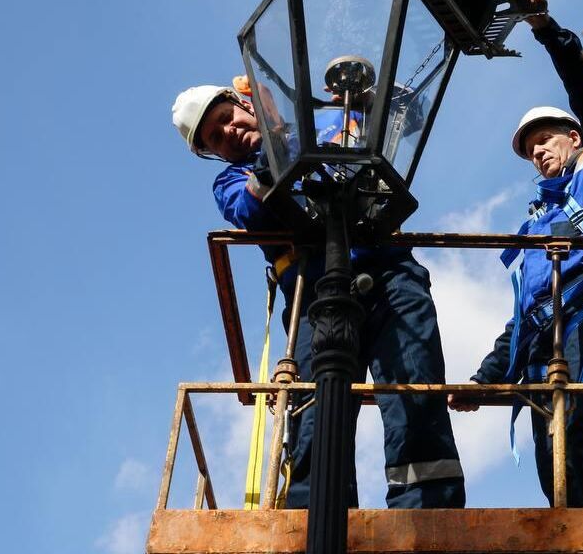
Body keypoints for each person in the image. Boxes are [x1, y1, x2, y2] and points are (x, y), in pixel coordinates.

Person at [171, 79, 465, 509]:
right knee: (314, 417)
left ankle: (429, 517)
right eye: (215, 138)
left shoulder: (329, 119)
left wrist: (369, 93)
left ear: (243, 101)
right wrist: (276, 140)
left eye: (224, 118)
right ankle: (319, 522)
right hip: (314, 300)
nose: (228, 132)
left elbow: (409, 114)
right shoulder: (232, 180)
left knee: (415, 394)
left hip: (389, 276)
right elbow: (250, 209)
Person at [449, 0, 583, 508]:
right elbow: (524, 314)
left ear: (574, 137)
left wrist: (547, 32)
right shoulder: (536, 226)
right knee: (553, 467)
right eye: (530, 148)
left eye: (545, 139)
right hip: (539, 349)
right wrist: (485, 379)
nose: (537, 152)